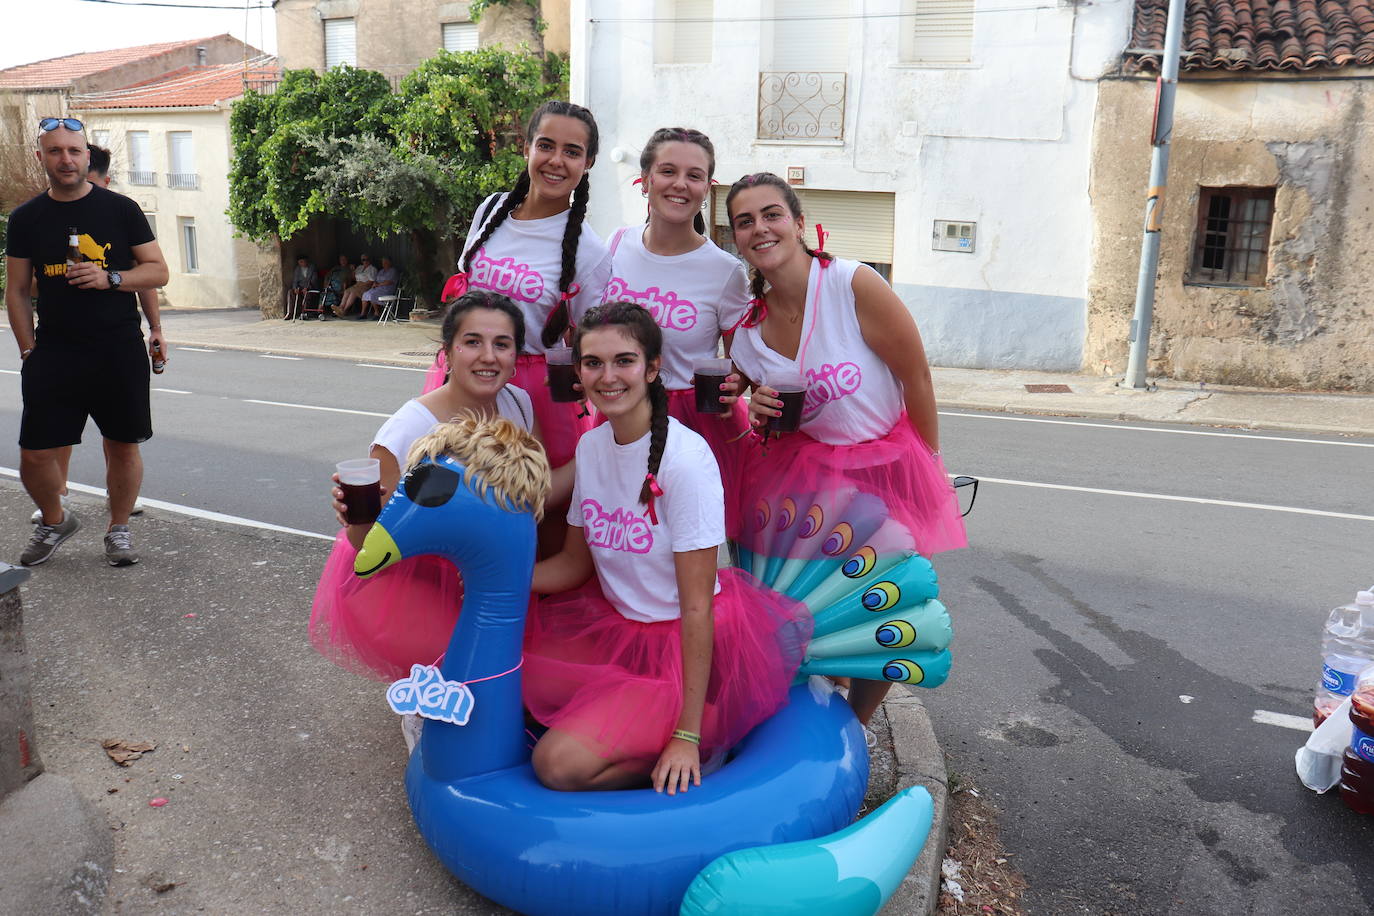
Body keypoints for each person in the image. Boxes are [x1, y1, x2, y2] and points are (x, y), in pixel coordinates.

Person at [522, 302, 811, 794]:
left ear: (653, 368)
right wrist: (503, 577)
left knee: (555, 765)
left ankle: (705, 747)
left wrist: (686, 734)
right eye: (592, 362)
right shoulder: (592, 448)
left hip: (681, 648)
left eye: (624, 361)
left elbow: (697, 607)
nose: (607, 376)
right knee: (524, 695)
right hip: (618, 635)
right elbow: (573, 564)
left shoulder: (686, 462)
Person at [724, 171, 968, 725]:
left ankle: (859, 724)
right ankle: (817, 718)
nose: (760, 228)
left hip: (886, 465)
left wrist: (929, 467)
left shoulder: (851, 284)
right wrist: (754, 409)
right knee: (824, 607)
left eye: (771, 214)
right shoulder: (746, 331)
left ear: (798, 222)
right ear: (736, 238)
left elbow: (918, 378)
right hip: (807, 477)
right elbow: (747, 403)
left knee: (883, 605)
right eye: (745, 221)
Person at [311, 290, 574, 683]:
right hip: (418, 586)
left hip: (489, 576)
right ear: (447, 353)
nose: (488, 356)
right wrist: (354, 516)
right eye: (472, 342)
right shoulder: (409, 429)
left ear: (516, 358)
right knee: (453, 681)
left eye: (502, 344)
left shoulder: (519, 404)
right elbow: (370, 540)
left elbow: (533, 496)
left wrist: (598, 455)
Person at [5, 117, 169, 567]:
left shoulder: (121, 209)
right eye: (55, 151)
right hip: (55, 349)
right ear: (41, 157)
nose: (65, 159)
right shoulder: (26, 219)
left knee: (121, 444)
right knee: (35, 455)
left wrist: (109, 277)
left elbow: (157, 271)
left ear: (86, 156)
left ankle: (118, 530)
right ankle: (56, 520)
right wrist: (27, 349)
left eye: (73, 151)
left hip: (117, 346)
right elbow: (17, 291)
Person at [423, 100, 612, 472]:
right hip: (460, 371)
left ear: (587, 163)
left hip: (535, 392)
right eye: (546, 145)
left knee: (527, 504)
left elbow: (587, 341)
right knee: (443, 489)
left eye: (572, 152)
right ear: (526, 148)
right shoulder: (491, 209)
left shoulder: (591, 252)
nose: (556, 160)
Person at [603, 127, 751, 535]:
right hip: (618, 412)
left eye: (694, 175)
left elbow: (743, 363)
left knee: (690, 540)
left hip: (696, 422)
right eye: (668, 170)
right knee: (620, 534)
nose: (680, 184)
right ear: (646, 179)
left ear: (707, 187)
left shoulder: (725, 271)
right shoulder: (615, 246)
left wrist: (735, 386)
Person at [358, 255, 398, 320]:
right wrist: (375, 283)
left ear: (390, 262)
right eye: (383, 262)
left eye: (385, 262)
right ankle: (363, 314)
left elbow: (389, 282)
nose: (384, 263)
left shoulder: (393, 271)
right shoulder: (381, 271)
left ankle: (377, 313)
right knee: (365, 294)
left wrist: (378, 285)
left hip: (387, 290)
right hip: (377, 288)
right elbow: (376, 280)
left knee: (372, 295)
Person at [286, 254, 318, 319]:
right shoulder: (297, 269)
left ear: (306, 261)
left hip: (310, 288)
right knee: (290, 292)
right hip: (300, 288)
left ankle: (304, 313)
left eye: (303, 261)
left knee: (307, 293)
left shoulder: (312, 267)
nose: (301, 263)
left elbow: (314, 280)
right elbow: (295, 281)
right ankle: (289, 313)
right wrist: (295, 288)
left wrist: (307, 288)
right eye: (300, 262)